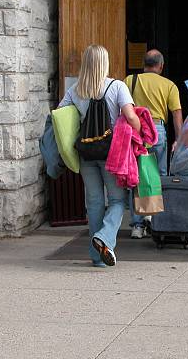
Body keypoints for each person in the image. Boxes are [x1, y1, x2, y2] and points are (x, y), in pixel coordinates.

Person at [59, 44, 141, 267]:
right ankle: (104, 239)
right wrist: (143, 134)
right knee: (117, 200)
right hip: (112, 154)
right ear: (104, 63)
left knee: (94, 203)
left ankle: (98, 258)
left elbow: (60, 117)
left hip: (86, 152)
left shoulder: (76, 90)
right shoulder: (117, 87)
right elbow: (131, 117)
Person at [124, 49, 183, 239]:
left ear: (144, 64)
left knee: (137, 176)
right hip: (158, 131)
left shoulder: (129, 81)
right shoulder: (169, 85)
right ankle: (156, 221)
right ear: (161, 66)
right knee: (159, 175)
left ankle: (137, 226)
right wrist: (179, 139)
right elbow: (176, 114)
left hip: (136, 130)